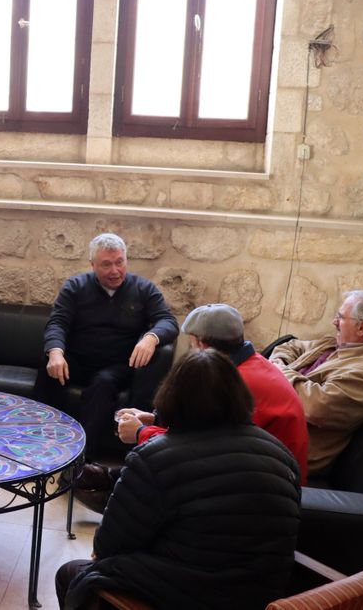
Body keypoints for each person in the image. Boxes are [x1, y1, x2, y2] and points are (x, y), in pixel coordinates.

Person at [55, 350, 301, 610]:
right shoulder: (281, 454)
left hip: (189, 594)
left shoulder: (156, 456)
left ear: (171, 397)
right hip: (262, 597)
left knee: (71, 574)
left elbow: (108, 546)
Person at [120, 303, 308, 484]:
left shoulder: (234, 383)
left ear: (201, 344)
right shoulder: (252, 364)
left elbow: (198, 448)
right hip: (269, 473)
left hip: (264, 484)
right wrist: (155, 421)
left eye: (191, 342)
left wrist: (141, 433)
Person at [34, 233, 178, 456]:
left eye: (120, 262)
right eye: (106, 264)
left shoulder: (143, 289)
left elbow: (168, 321)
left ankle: (82, 457)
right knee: (49, 364)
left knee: (103, 383)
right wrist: (55, 352)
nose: (115, 270)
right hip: (78, 360)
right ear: (92, 265)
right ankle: (39, 441)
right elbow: (57, 323)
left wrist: (151, 338)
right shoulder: (75, 287)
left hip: (116, 366)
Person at [269, 290, 363, 476]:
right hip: (270, 427)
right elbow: (290, 346)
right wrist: (279, 364)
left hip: (286, 452)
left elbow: (317, 405)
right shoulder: (337, 345)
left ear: (362, 328)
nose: (334, 322)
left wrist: (278, 372)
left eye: (340, 317)